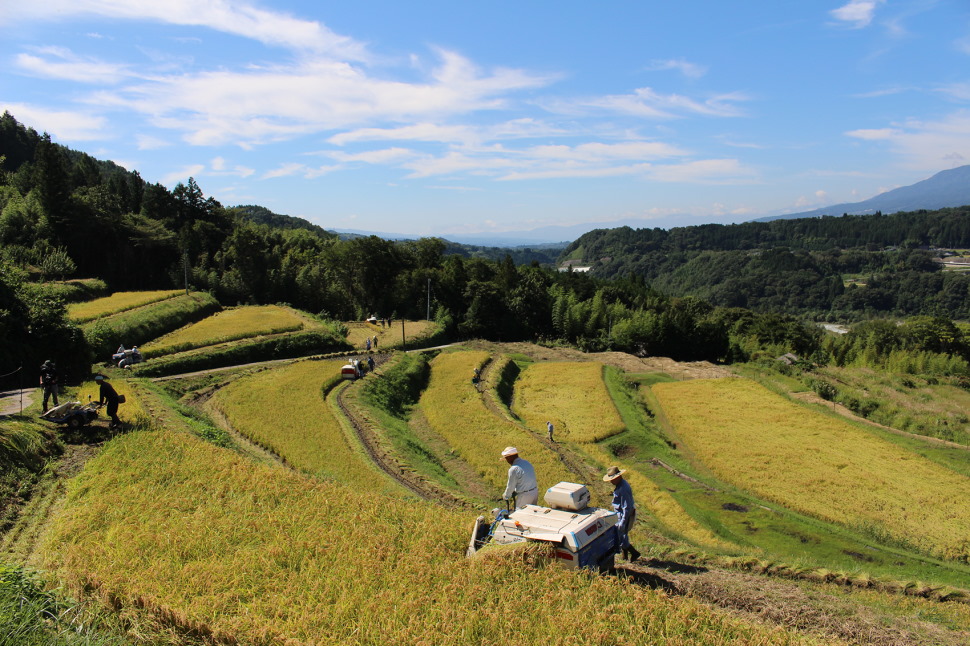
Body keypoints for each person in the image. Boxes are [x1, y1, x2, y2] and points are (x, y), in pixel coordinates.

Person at [604, 466, 640, 562]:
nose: (611, 482)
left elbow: (626, 507)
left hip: (624, 515)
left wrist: (623, 521)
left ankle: (634, 553)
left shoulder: (623, 488)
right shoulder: (621, 485)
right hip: (621, 514)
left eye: (612, 479)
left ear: (617, 477)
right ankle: (625, 557)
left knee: (621, 535)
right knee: (623, 535)